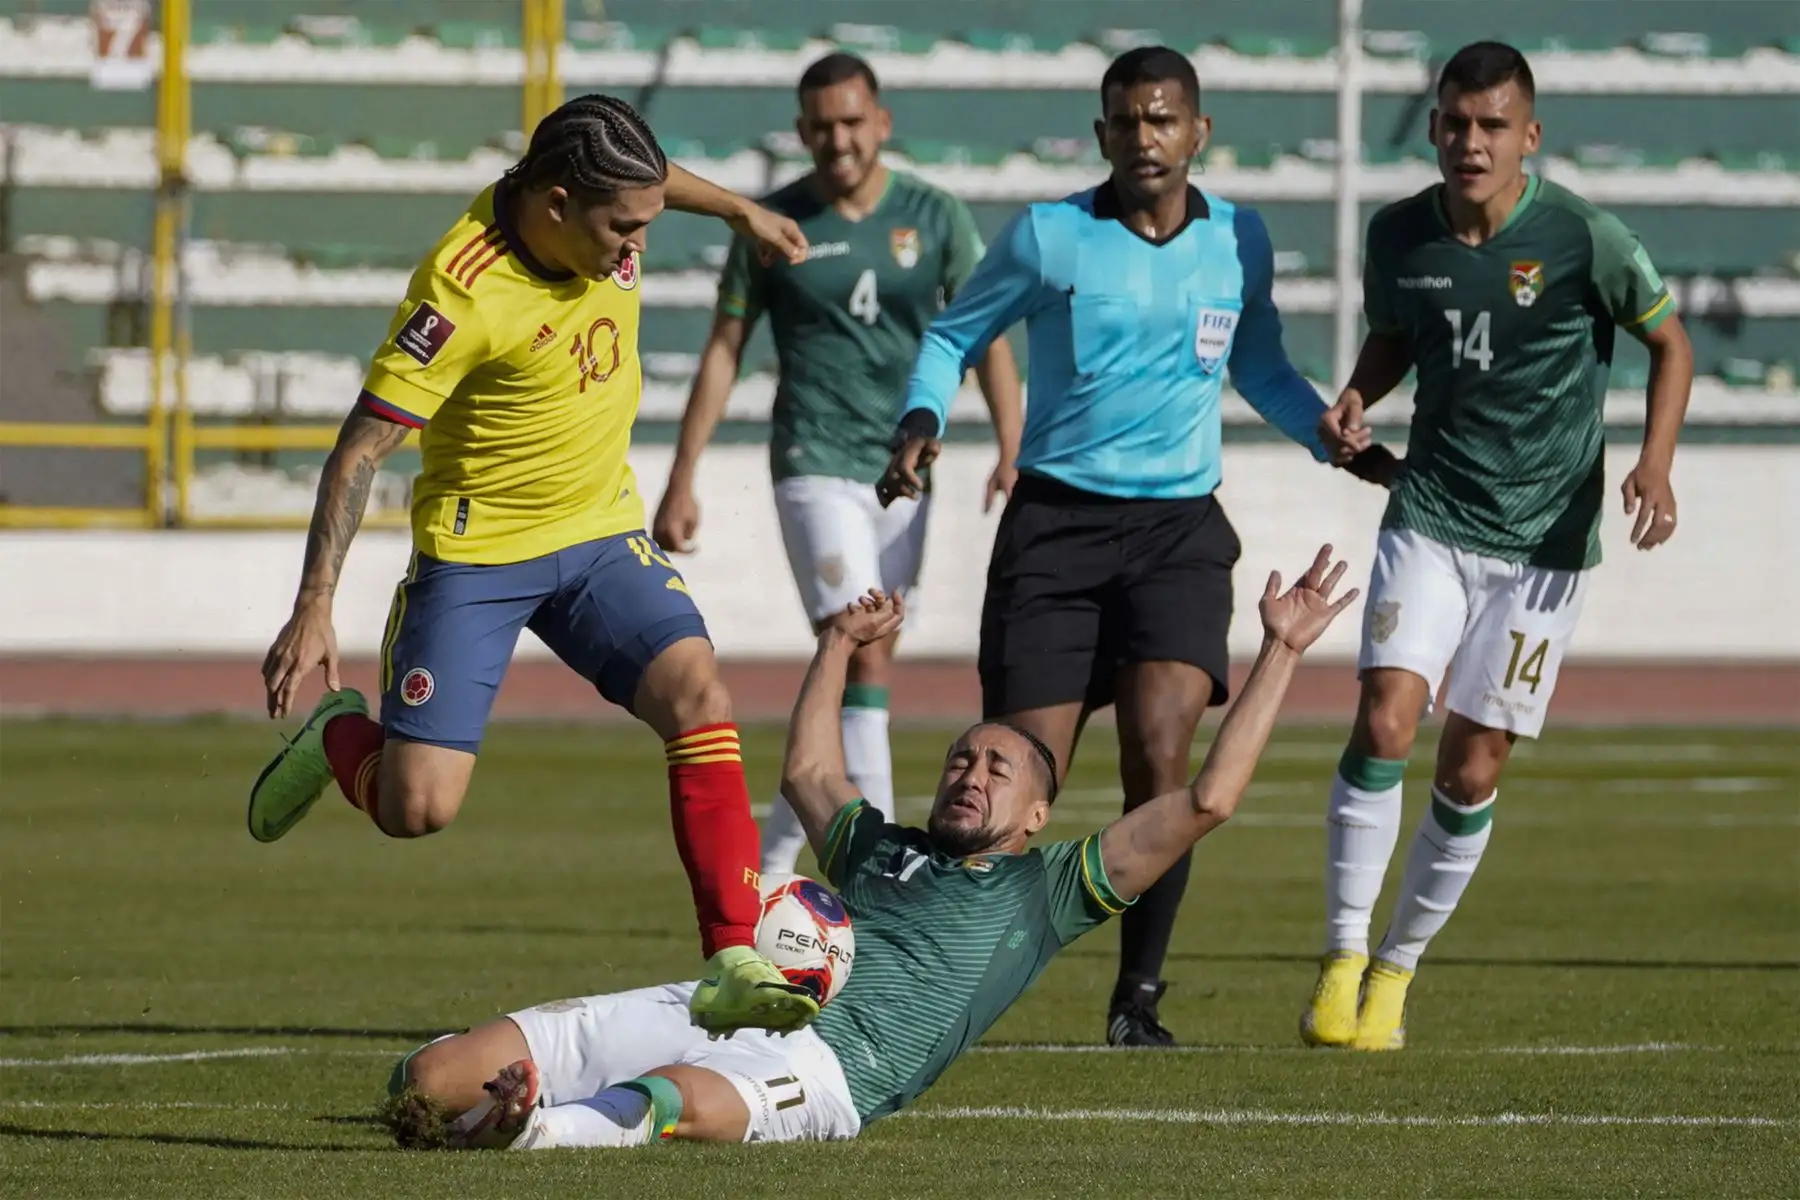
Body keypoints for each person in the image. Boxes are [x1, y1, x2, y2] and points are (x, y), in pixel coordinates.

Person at [380, 545, 1359, 1152]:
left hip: (829, 1072)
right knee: (426, 1087)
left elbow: (1211, 797)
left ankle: (536, 1130)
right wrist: (838, 648)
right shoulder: (878, 853)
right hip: (727, 1000)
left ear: (1034, 817)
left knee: (685, 1104)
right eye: (962, 758)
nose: (970, 773)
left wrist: (1279, 650)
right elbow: (809, 773)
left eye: (997, 769)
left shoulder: (1047, 890)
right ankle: (478, 1100)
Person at [247, 94, 826, 1039]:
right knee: (418, 809)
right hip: (478, 556)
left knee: (699, 695)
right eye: (623, 227)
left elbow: (651, 181)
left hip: (599, 533)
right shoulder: (460, 290)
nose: (638, 241)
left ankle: (729, 955)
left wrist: (740, 210)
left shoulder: (608, 193)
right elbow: (359, 452)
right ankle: (342, 739)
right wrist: (315, 605)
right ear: (555, 204)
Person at [876, 45, 1392, 1046]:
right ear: (1101, 131)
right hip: (1056, 527)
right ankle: (937, 978)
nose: (1143, 136)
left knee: (1163, 754)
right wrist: (921, 424)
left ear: (1199, 133)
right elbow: (950, 337)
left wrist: (1325, 432)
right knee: (1013, 777)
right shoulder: (1050, 235)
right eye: (1124, 120)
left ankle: (1136, 999)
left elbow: (1260, 364)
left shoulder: (1240, 238)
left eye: (1162, 119)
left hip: (1178, 532)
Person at [1299, 41, 1693, 1051]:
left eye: (1492, 126)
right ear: (1433, 126)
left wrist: (1654, 463)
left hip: (1545, 546)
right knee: (1388, 719)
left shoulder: (1580, 236)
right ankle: (1342, 961)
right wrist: (1356, 398)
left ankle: (1395, 973)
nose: (1470, 143)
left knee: (1471, 771)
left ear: (1530, 135)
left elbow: (1670, 340)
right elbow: (1396, 335)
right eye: (1454, 123)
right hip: (1432, 513)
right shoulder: (1399, 237)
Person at [653, 51, 1024, 879]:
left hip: (905, 468)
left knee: (867, 649)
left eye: (853, 122)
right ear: (801, 131)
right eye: (821, 126)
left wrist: (1011, 445)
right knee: (860, 643)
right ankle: (887, 871)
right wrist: (684, 474)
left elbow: (986, 334)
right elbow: (724, 347)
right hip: (812, 457)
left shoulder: (933, 217)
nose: (838, 139)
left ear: (882, 122)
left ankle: (775, 870)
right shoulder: (771, 222)